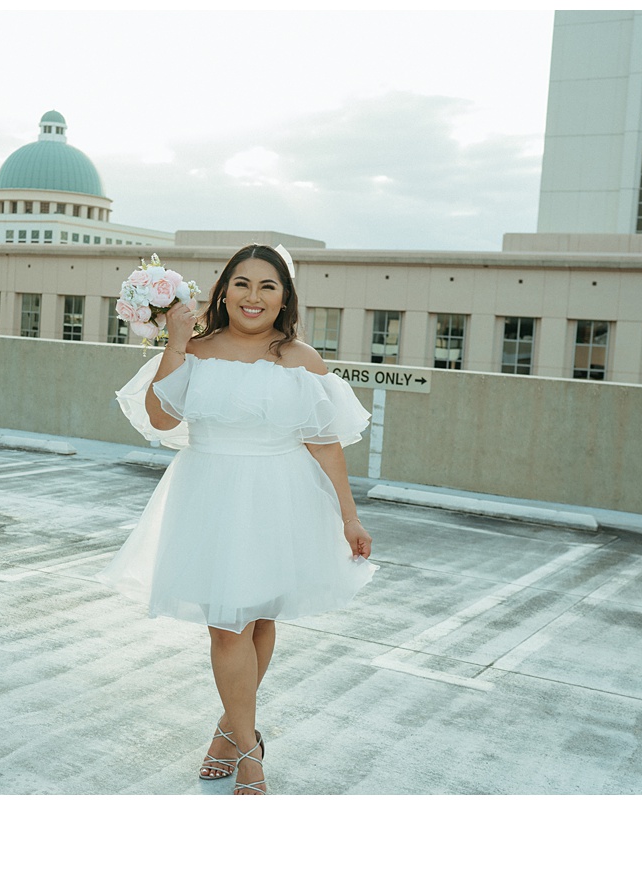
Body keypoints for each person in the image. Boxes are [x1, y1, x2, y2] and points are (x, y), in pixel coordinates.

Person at [98, 243, 377, 795]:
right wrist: (176, 343)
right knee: (228, 624)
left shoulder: (301, 359)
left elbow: (325, 444)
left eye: (268, 286)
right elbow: (158, 416)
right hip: (210, 493)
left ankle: (230, 729)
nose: (254, 296)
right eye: (243, 283)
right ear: (223, 290)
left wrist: (350, 518)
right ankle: (251, 753)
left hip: (280, 494)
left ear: (284, 298)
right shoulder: (195, 349)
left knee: (260, 618)